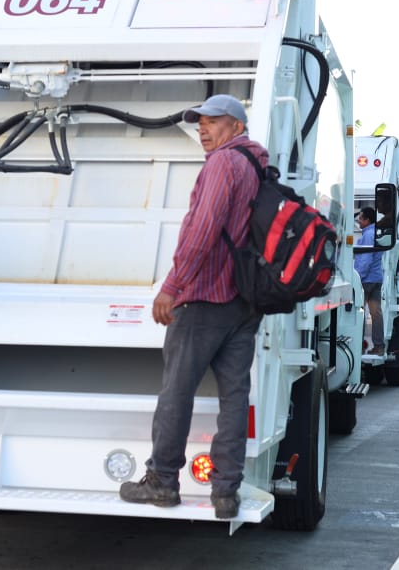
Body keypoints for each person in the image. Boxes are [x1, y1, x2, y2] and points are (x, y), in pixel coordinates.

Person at [118, 94, 265, 521]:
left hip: (203, 297)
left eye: (213, 122)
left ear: (236, 127)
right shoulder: (259, 166)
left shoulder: (224, 163)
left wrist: (172, 286)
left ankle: (162, 481)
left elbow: (202, 230)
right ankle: (225, 492)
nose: (203, 129)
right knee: (235, 396)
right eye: (199, 122)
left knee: (176, 393)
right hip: (244, 301)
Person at [353, 206, 384, 355]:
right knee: (376, 314)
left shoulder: (367, 235)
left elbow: (365, 259)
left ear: (367, 220)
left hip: (366, 280)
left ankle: (359, 345)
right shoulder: (375, 233)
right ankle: (379, 346)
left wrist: (357, 277)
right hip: (376, 278)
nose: (358, 220)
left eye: (360, 217)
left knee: (358, 312)